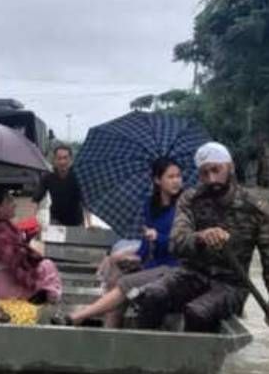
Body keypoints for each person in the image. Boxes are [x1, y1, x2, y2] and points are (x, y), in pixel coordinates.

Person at [128, 142, 269, 333]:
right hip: (191, 275)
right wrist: (200, 237)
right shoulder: (190, 199)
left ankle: (190, 361)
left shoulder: (255, 208)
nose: (211, 179)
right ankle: (142, 349)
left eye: (216, 170)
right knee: (152, 295)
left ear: (230, 167)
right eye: (204, 173)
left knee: (197, 312)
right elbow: (175, 243)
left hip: (230, 285)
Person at [61, 158, 183, 327]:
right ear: (157, 180)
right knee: (116, 273)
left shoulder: (184, 208)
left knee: (125, 283)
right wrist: (133, 256)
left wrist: (159, 237)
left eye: (178, 176)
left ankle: (79, 316)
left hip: (173, 266)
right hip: (152, 264)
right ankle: (110, 331)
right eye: (171, 177)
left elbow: (183, 243)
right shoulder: (150, 205)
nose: (176, 181)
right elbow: (145, 247)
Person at [0, 188, 62, 303]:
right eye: (9, 202)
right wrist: (32, 283)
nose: (14, 205)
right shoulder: (1, 233)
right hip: (4, 285)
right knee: (47, 266)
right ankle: (44, 296)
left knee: (44, 265)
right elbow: (14, 264)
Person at [32, 145, 89, 227]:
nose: (62, 162)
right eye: (59, 158)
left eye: (65, 158)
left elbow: (85, 202)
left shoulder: (78, 176)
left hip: (76, 220)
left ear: (71, 159)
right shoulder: (48, 177)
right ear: (54, 160)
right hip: (56, 219)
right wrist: (33, 220)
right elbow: (36, 199)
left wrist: (90, 223)